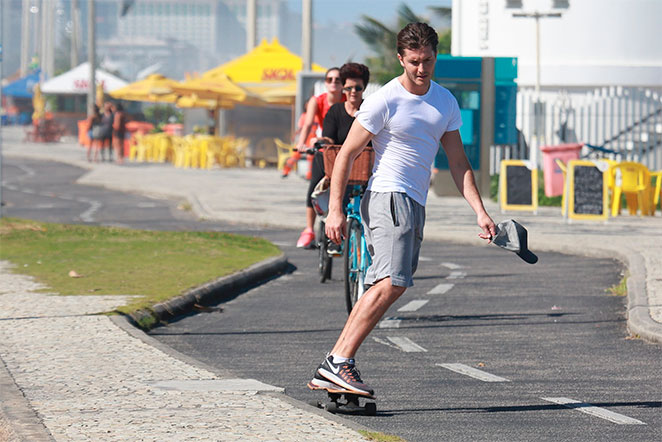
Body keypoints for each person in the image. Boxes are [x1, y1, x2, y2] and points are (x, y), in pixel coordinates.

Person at [308, 22, 496, 397]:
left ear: (435, 56)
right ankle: (339, 361)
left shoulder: (444, 101)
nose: (421, 69)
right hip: (388, 196)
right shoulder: (385, 99)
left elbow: (458, 163)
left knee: (387, 283)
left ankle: (334, 363)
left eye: (427, 60)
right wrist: (334, 211)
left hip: (414, 201)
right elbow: (345, 155)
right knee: (392, 281)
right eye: (413, 62)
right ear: (400, 59)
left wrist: (479, 210)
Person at [292, 67, 345, 248]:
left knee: (349, 189)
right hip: (325, 149)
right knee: (314, 187)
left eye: (337, 80)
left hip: (344, 150)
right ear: (325, 83)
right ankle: (309, 230)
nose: (333, 83)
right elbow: (308, 124)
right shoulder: (318, 101)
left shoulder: (348, 100)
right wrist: (301, 144)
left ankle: (348, 227)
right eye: (329, 80)